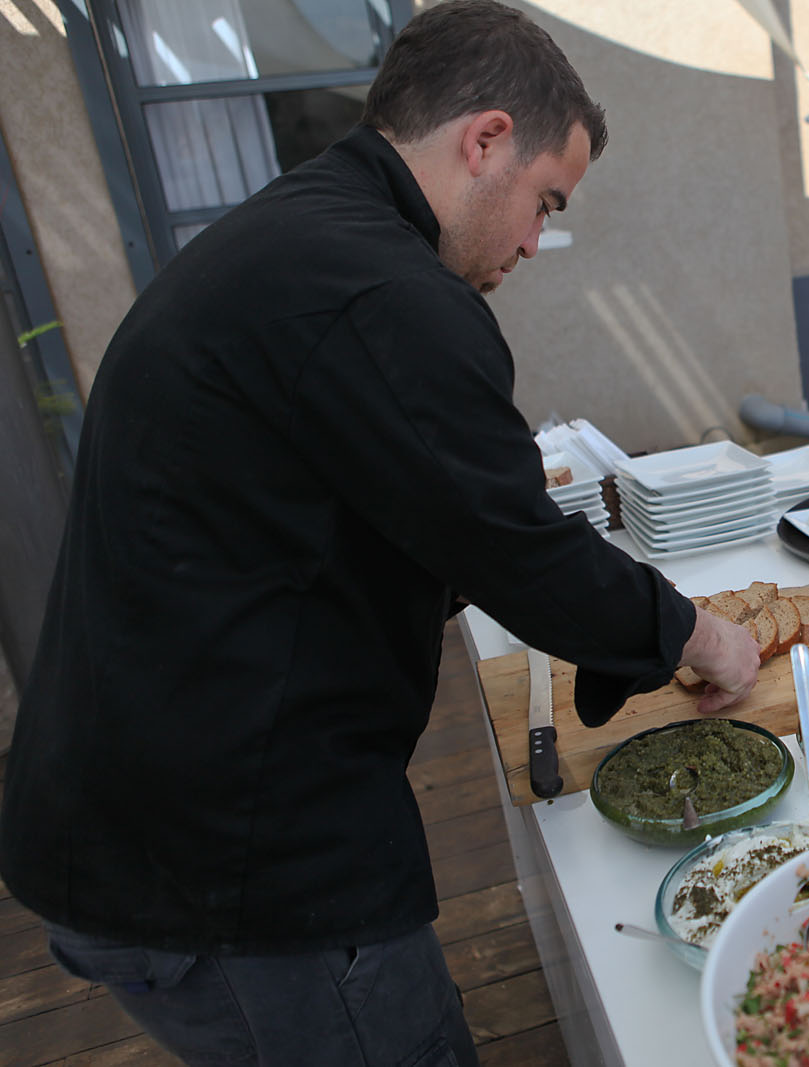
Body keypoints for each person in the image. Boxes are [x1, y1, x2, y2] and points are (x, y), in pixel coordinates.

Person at [0, 2, 760, 1063]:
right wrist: (698, 633)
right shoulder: (383, 290)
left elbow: (359, 504)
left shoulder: (300, 232)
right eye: (544, 203)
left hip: (125, 819)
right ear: (485, 139)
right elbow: (517, 544)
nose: (534, 243)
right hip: (229, 861)